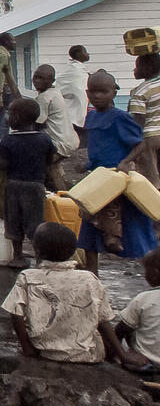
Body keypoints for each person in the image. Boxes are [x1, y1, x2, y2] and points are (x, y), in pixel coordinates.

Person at [5, 222, 141, 366]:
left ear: (37, 251)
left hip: (45, 352)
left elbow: (16, 313)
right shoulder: (89, 279)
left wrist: (26, 347)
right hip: (86, 355)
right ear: (73, 252)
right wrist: (123, 355)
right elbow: (103, 320)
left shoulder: (27, 277)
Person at [77, 69, 157, 274]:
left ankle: (152, 272)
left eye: (103, 91)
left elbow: (139, 144)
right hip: (98, 179)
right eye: (93, 91)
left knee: (134, 229)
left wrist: (125, 162)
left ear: (114, 92)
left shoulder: (120, 118)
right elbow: (95, 146)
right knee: (89, 231)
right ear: (87, 92)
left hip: (117, 181)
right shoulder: (91, 116)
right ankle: (93, 276)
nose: (97, 96)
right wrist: (87, 164)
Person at [0, 97, 55, 267]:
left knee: (13, 221)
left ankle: (18, 257)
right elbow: (49, 160)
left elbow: (4, 164)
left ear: (17, 117)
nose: (7, 117)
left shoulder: (8, 140)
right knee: (35, 222)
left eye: (9, 114)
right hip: (36, 186)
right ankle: (40, 259)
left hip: (13, 185)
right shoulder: (44, 139)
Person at [30, 65, 78, 188]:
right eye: (35, 77)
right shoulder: (55, 92)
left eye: (41, 78)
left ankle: (58, 191)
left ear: (52, 80)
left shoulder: (45, 97)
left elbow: (37, 124)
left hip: (59, 144)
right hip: (70, 140)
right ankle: (62, 187)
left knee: (34, 163)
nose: (37, 81)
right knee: (52, 166)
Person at [116, 249, 160, 367]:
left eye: (146, 270)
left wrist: (119, 355)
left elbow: (119, 331)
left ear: (155, 273)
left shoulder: (144, 298)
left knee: (129, 325)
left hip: (147, 363)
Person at [128, 53, 160, 179]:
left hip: (149, 137)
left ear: (148, 68)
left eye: (137, 67)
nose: (134, 70)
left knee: (151, 174)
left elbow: (139, 119)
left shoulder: (140, 92)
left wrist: (134, 142)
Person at [63, 45, 90, 127]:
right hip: (72, 107)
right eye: (85, 51)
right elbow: (77, 89)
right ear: (78, 54)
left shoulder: (80, 69)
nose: (88, 54)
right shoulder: (75, 70)